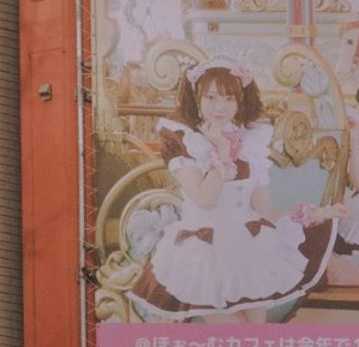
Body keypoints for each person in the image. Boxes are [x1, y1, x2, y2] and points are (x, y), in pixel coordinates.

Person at [137, 57, 343, 321]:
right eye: (211, 98)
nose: (220, 107)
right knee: (237, 337)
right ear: (196, 99)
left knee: (254, 337)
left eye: (229, 99)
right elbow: (205, 198)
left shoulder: (250, 142)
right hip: (203, 252)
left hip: (247, 247)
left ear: (240, 101)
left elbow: (265, 207)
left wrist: (317, 214)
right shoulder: (184, 140)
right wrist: (221, 152)